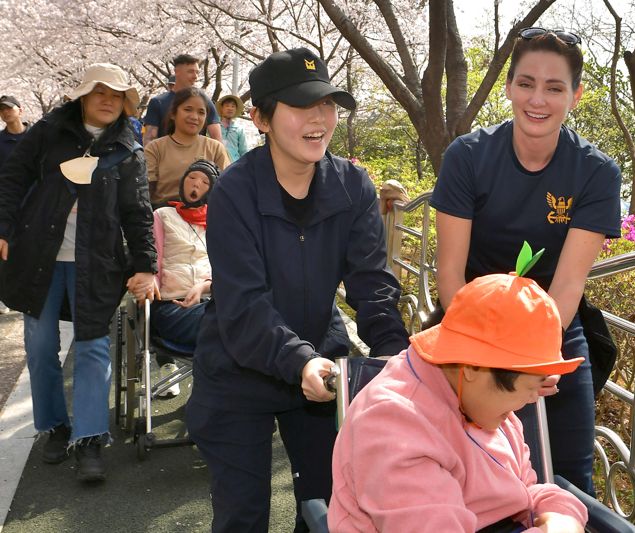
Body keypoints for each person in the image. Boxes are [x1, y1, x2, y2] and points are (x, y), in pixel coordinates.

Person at [185, 47, 410, 533]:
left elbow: (371, 283)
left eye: (327, 104)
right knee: (242, 514)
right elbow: (244, 305)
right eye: (300, 106)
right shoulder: (234, 192)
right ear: (260, 118)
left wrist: (397, 356)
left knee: (330, 507)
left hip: (322, 366)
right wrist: (298, 359)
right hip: (238, 366)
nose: (319, 119)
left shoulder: (353, 185)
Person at [431, 28, 622, 496]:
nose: (538, 99)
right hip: (468, 318)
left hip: (549, 324)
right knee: (446, 462)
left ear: (575, 95)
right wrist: (485, 356)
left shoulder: (595, 172)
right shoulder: (467, 157)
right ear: (509, 86)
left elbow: (569, 283)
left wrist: (533, 361)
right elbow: (450, 273)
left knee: (569, 474)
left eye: (555, 88)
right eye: (526, 83)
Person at [329, 271, 588, 532]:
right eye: (529, 388)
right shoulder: (391, 427)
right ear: (474, 368)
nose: (532, 400)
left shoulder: (478, 401)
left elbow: (524, 489)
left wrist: (562, 514)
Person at [0, 63, 157, 482]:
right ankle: (55, 426)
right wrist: (4, 226)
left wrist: (146, 265)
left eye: (117, 95)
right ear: (83, 96)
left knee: (92, 347)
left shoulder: (128, 148)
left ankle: (89, 438)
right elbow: (12, 178)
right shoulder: (49, 131)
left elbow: (137, 212)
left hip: (97, 261)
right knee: (38, 347)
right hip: (39, 256)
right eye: (100, 92)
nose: (109, 101)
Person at [150, 159, 218, 397]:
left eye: (204, 182)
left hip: (211, 301)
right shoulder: (162, 215)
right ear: (182, 182)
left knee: (233, 316)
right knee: (228, 321)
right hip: (172, 306)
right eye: (191, 178)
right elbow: (151, 262)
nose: (196, 184)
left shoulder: (219, 222)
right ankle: (208, 400)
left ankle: (211, 399)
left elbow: (228, 270)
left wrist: (204, 286)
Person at [144, 87, 229, 206]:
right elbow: (146, 193)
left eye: (201, 112)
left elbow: (227, 190)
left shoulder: (215, 148)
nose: (194, 117)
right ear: (173, 113)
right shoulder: (155, 148)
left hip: (204, 218)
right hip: (163, 216)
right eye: (188, 109)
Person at [142, 54, 222, 145]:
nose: (195, 76)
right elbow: (149, 139)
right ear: (177, 72)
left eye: (197, 72)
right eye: (190, 71)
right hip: (164, 156)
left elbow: (217, 140)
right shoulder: (158, 102)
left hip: (197, 156)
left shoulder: (205, 102)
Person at [0, 94, 31, 314]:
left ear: (20, 110)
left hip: (35, 199)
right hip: (7, 200)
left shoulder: (36, 137)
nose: (5, 112)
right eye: (2, 110)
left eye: (9, 108)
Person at [216, 94, 249, 162]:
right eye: (227, 106)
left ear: (236, 109)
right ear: (222, 108)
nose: (230, 108)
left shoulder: (239, 129)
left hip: (234, 167)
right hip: (215, 166)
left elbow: (243, 152)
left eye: (233, 106)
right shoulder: (214, 125)